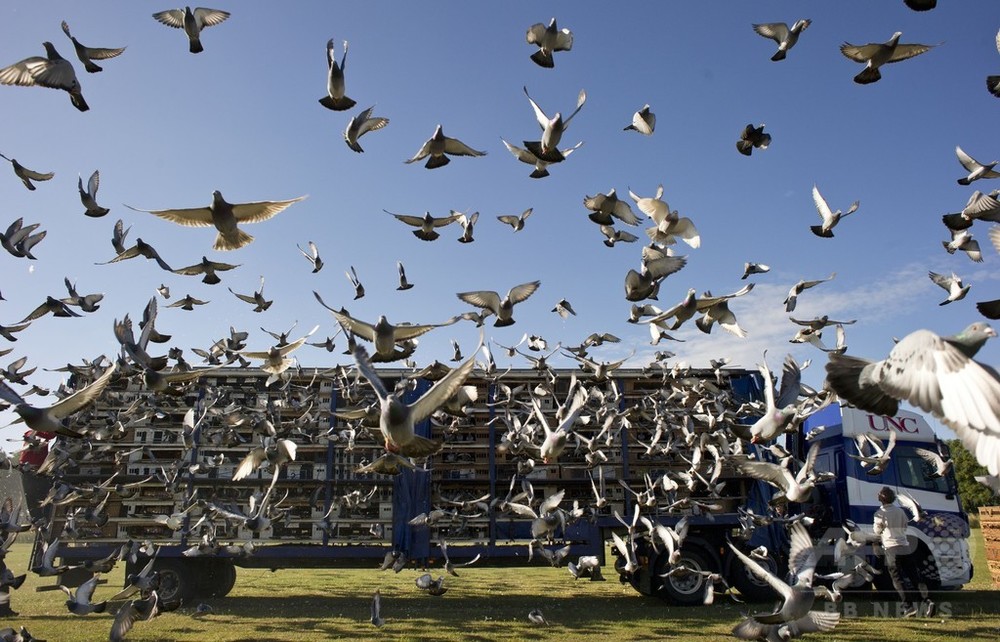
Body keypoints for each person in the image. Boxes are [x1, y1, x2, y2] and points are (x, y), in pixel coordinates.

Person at [873, 486, 932, 617]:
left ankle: (908, 606)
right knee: (914, 576)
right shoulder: (900, 511)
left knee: (897, 579)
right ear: (893, 498)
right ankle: (926, 601)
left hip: (891, 548)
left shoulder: (879, 513)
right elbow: (905, 526)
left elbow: (877, 531)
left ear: (880, 499)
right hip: (905, 547)